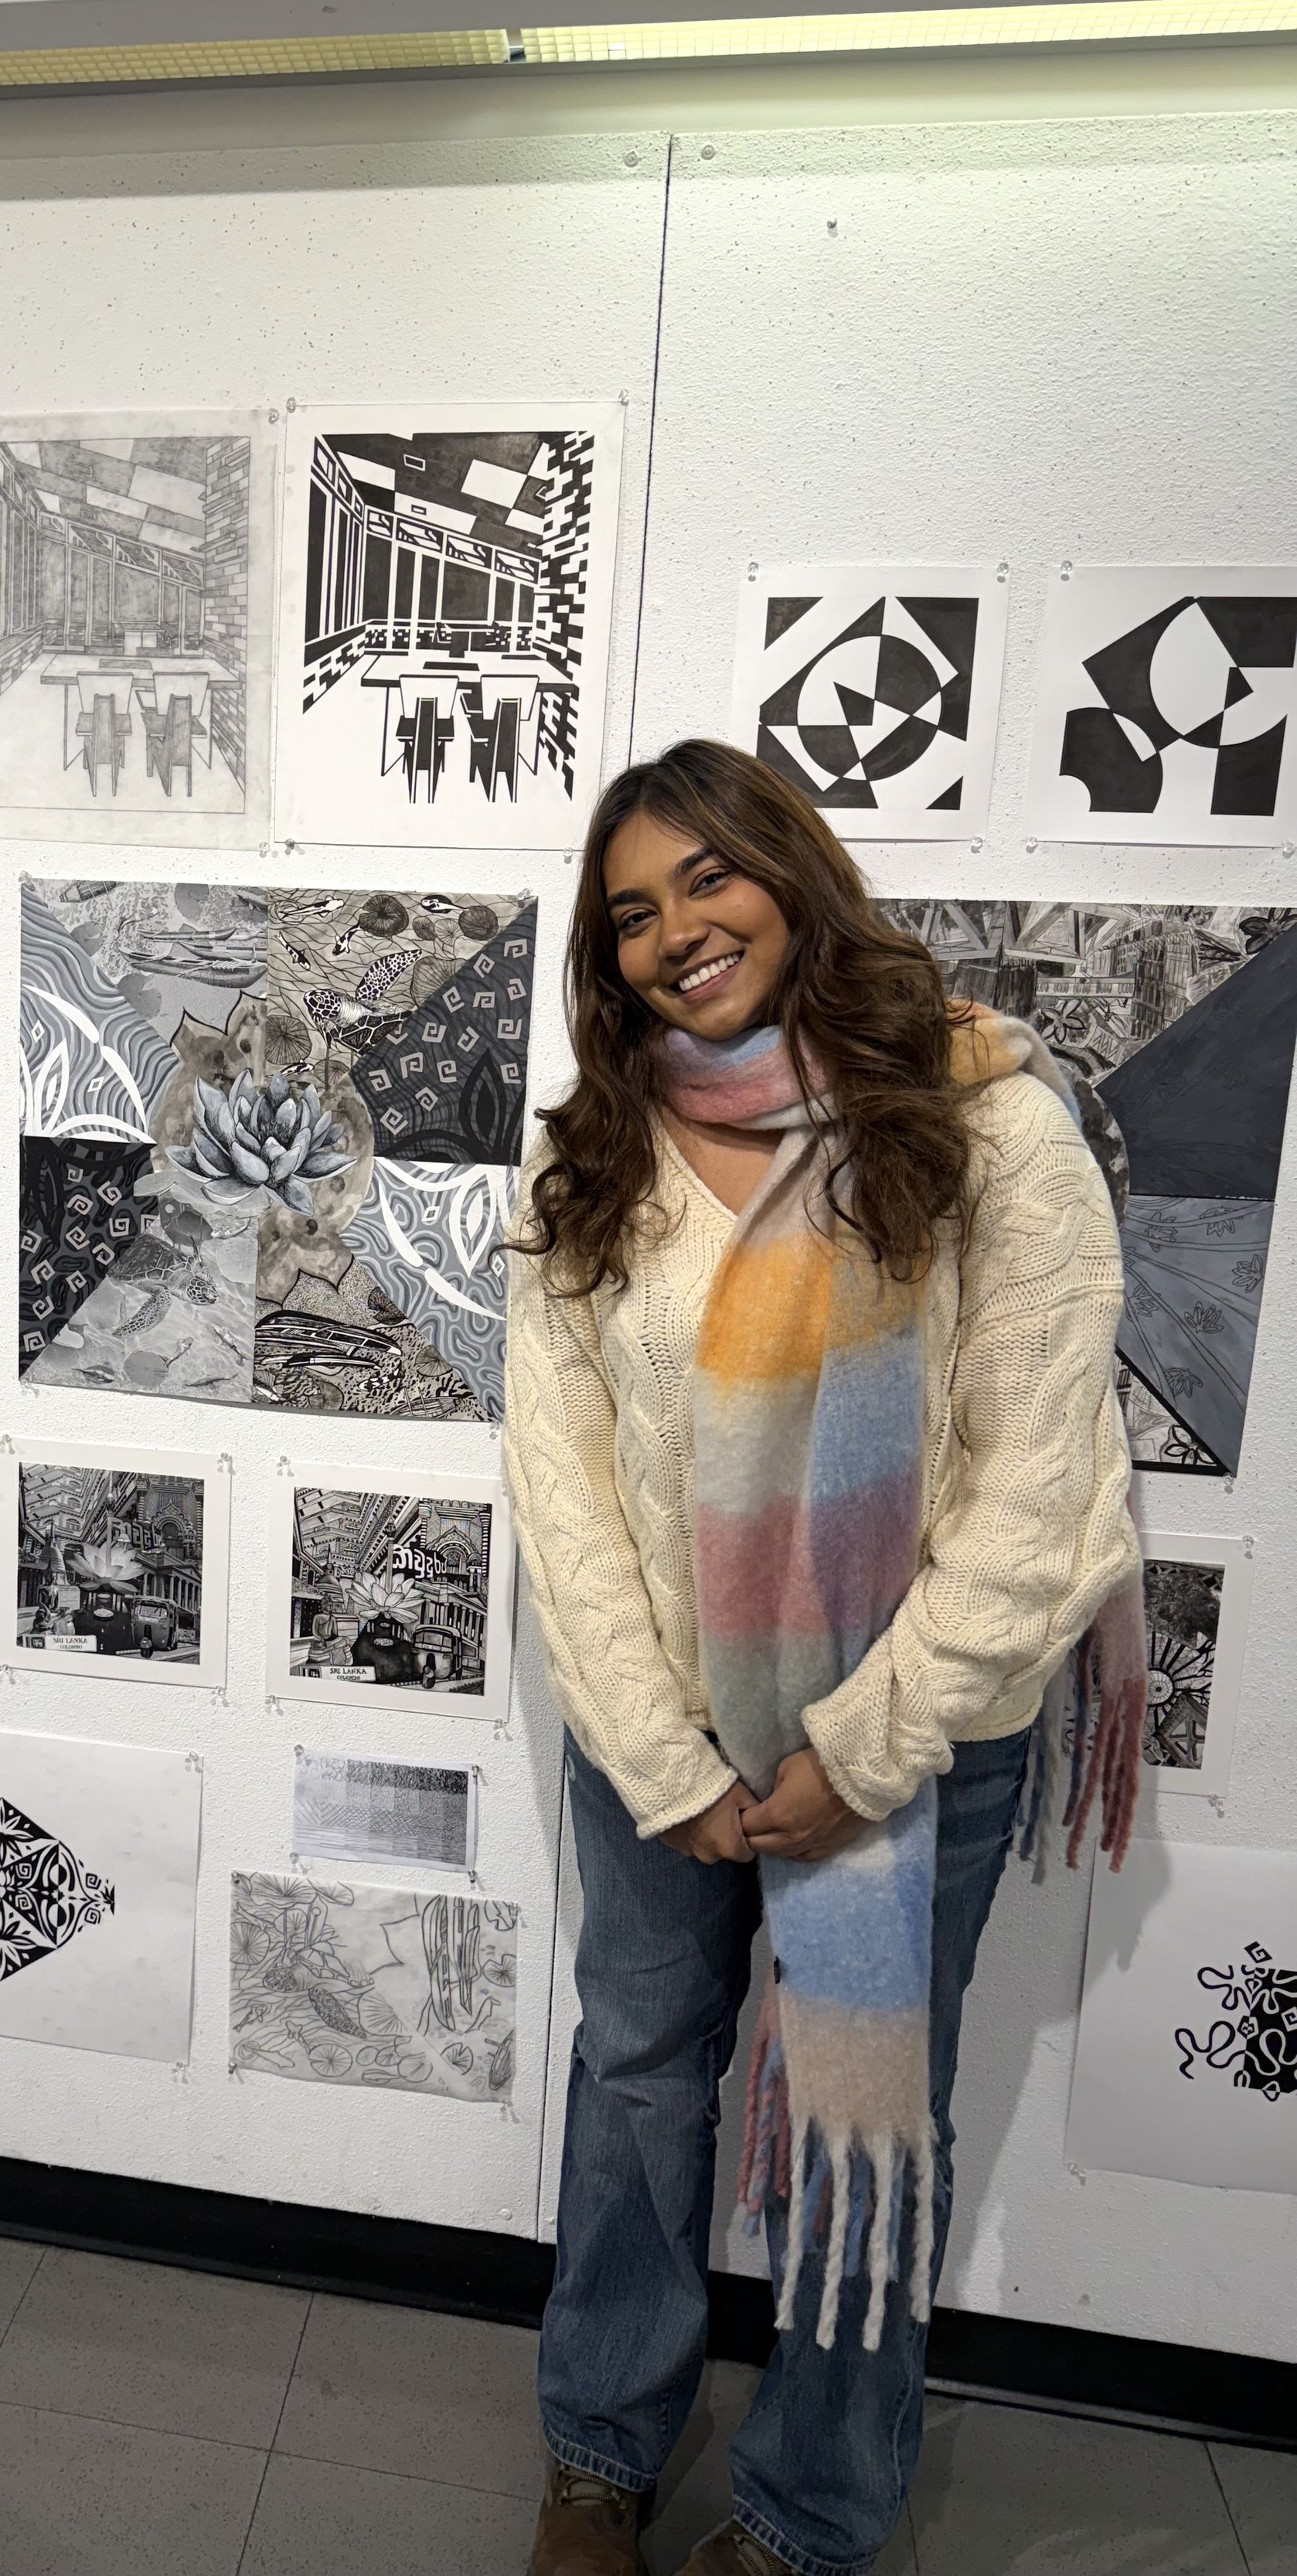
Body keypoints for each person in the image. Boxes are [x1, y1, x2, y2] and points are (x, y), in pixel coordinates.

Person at [504, 740, 1140, 2576]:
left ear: (789, 869)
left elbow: (1033, 1500)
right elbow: (561, 1492)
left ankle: (807, 2511)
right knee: (636, 2072)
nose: (674, 934)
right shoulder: (591, 1163)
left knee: (876, 2114)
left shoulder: (991, 1125)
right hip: (668, 1735)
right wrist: (673, 1759)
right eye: (629, 913)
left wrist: (855, 1749)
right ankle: (595, 2454)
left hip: (921, 1733)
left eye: (706, 880)